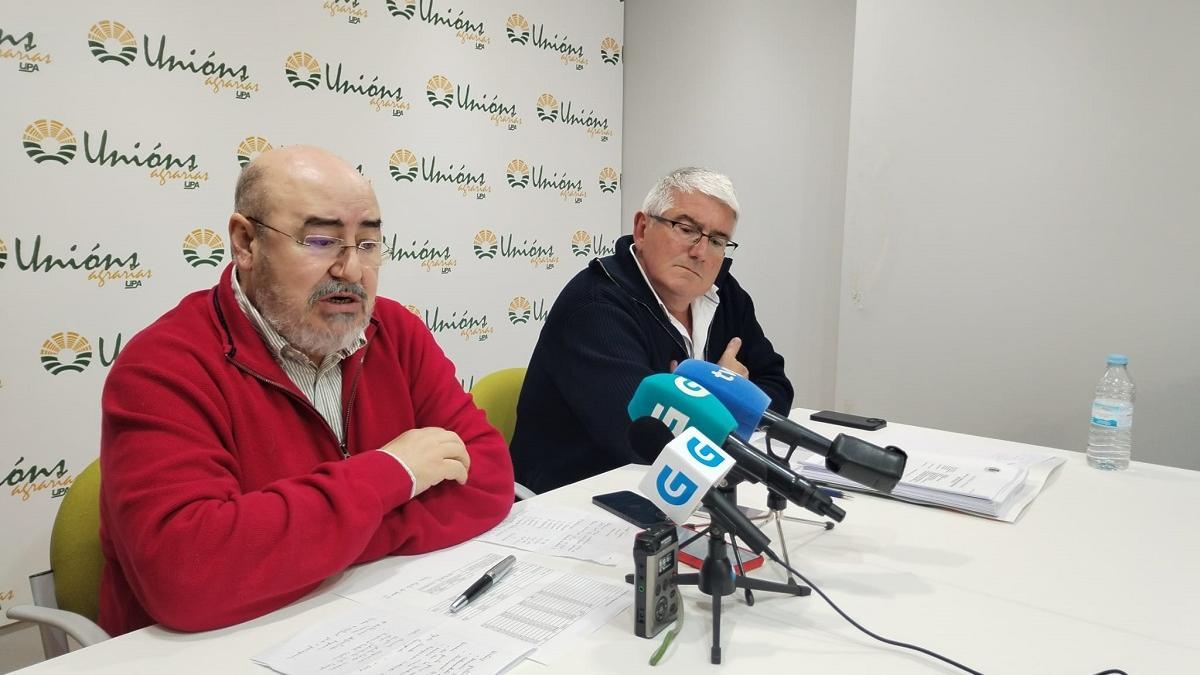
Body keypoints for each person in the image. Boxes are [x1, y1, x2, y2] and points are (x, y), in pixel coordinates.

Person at [98, 146, 514, 635]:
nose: (352, 272)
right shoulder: (163, 366)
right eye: (320, 241)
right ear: (245, 242)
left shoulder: (396, 332)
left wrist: (309, 545)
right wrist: (393, 474)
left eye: (368, 245)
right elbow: (187, 577)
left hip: (372, 624)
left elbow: (487, 477)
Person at [510, 167, 792, 493]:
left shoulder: (726, 295)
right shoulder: (594, 307)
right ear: (643, 228)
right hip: (583, 498)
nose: (700, 251)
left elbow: (777, 389)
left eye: (717, 240)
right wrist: (728, 396)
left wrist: (702, 400)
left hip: (691, 493)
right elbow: (641, 437)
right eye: (686, 228)